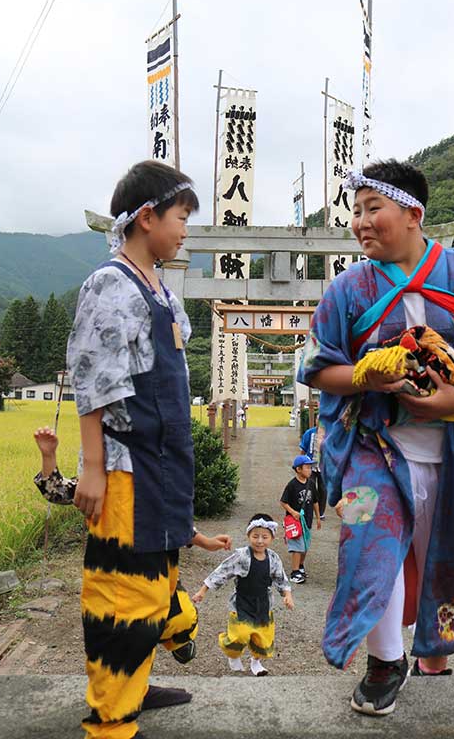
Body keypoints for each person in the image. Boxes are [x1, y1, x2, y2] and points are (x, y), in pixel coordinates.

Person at [298, 159, 454, 717]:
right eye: (354, 212)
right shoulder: (346, 290)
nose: (360, 222)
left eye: (372, 209)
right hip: (375, 447)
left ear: (413, 214)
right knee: (368, 549)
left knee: (446, 554)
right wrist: (365, 374)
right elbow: (317, 367)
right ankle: (385, 661)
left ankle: (433, 646)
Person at [66, 159, 204, 739]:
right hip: (123, 465)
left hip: (161, 466)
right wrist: (91, 468)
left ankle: (137, 685)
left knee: (156, 578)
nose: (184, 231)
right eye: (180, 218)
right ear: (147, 218)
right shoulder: (110, 283)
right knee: (123, 591)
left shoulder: (158, 289)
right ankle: (111, 722)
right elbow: (92, 378)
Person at [32, 425, 232, 705]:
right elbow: (58, 492)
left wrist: (207, 542)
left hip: (157, 571)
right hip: (117, 575)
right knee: (124, 634)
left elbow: (173, 521)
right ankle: (120, 701)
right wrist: (48, 456)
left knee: (175, 617)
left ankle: (142, 684)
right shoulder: (97, 488)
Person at [191, 514, 295, 676]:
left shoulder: (273, 558)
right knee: (239, 634)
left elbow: (281, 578)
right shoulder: (242, 556)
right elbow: (222, 571)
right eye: (255, 536)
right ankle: (233, 656)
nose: (260, 541)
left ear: (272, 538)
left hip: (263, 604)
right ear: (248, 536)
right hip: (241, 603)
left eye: (265, 537)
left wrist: (287, 595)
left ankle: (256, 662)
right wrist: (202, 591)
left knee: (264, 638)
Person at [279, 454, 324, 583]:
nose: (310, 470)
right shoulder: (292, 485)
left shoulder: (311, 484)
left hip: (307, 521)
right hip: (295, 522)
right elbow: (283, 502)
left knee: (305, 546)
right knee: (297, 547)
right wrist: (293, 512)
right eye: (307, 467)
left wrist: (318, 517)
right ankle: (294, 572)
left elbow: (315, 501)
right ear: (298, 469)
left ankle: (300, 566)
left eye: (311, 467)